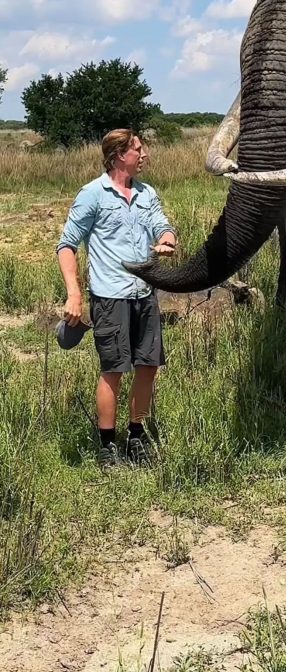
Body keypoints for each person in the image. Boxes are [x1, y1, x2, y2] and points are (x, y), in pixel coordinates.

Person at [57, 129, 176, 468]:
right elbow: (67, 245)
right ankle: (108, 446)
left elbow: (161, 224)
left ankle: (136, 437)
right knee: (114, 369)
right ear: (120, 154)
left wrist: (166, 238)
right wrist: (75, 294)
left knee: (148, 366)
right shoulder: (92, 194)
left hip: (145, 292)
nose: (144, 154)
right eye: (138, 149)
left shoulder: (146, 192)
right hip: (110, 296)